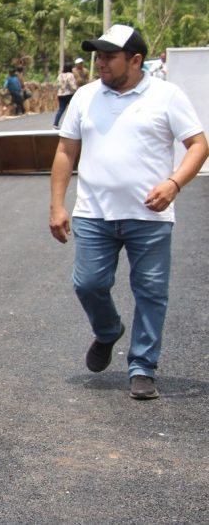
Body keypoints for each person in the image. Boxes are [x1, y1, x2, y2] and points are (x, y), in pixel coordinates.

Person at [49, 24, 207, 401]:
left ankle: (142, 366)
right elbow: (65, 152)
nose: (100, 62)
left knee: (151, 293)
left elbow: (198, 144)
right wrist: (57, 204)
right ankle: (107, 331)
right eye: (98, 55)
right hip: (93, 213)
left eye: (109, 56)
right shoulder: (85, 97)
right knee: (88, 284)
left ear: (136, 60)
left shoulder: (167, 96)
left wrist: (174, 183)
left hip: (149, 216)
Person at [54, 62, 78, 129]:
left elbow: (58, 84)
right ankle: (72, 125)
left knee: (61, 109)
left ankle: (55, 124)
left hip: (61, 94)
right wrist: (77, 90)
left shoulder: (60, 75)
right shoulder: (70, 75)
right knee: (72, 109)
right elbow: (73, 85)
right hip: (69, 94)